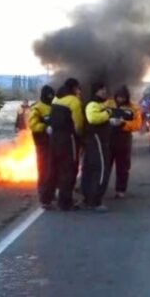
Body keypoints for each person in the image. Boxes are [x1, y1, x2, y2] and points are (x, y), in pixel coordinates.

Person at [43, 78, 84, 211]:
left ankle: (46, 199)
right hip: (68, 139)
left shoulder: (56, 99)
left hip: (54, 138)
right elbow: (79, 123)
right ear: (73, 88)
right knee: (69, 169)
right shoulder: (74, 101)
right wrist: (81, 135)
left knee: (53, 168)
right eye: (78, 88)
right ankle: (65, 202)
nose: (79, 91)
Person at [82, 82, 115, 212]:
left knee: (90, 170)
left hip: (96, 141)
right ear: (96, 91)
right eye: (102, 90)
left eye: (105, 90)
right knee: (101, 170)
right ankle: (95, 201)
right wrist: (108, 114)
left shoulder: (100, 104)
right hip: (97, 141)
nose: (104, 92)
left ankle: (89, 199)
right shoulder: (92, 104)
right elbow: (93, 119)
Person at [106, 86, 142, 199]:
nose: (120, 99)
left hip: (124, 139)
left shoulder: (134, 108)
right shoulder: (108, 104)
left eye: (123, 97)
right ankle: (101, 188)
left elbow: (137, 125)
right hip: (108, 138)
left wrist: (123, 124)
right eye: (118, 97)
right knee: (105, 165)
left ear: (127, 97)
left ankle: (120, 190)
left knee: (123, 167)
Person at [28, 85, 55, 207]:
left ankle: (52, 194)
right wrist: (44, 127)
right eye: (49, 95)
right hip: (42, 143)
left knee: (53, 170)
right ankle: (44, 197)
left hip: (54, 142)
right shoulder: (37, 108)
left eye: (52, 94)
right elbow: (33, 125)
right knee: (44, 170)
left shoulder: (55, 107)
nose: (51, 97)